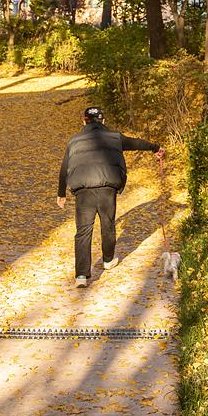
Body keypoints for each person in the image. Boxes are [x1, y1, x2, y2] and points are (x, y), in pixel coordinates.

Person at [56, 107, 162, 287]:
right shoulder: (115, 137)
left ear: (84, 121)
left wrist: (61, 193)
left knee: (83, 231)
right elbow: (135, 143)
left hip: (83, 191)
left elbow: (64, 168)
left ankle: (81, 276)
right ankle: (107, 260)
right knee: (108, 223)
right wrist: (155, 148)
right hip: (107, 187)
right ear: (103, 121)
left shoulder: (74, 141)